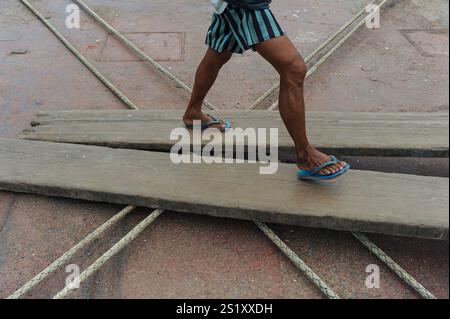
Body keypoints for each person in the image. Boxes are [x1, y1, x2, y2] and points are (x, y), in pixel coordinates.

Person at [183, 0, 350, 180]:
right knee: (293, 69)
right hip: (245, 4)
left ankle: (193, 112)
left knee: (218, 52)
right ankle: (305, 156)